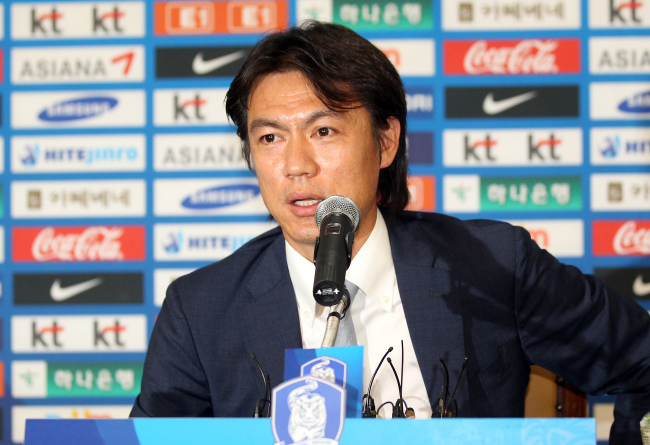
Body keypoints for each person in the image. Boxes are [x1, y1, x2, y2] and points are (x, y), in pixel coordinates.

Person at [131, 21, 650, 443]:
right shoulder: (200, 309)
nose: (296, 165)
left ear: (385, 142)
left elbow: (642, 364)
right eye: (269, 137)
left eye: (324, 130)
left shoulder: (491, 265)